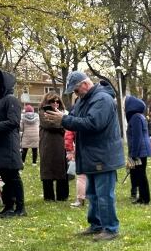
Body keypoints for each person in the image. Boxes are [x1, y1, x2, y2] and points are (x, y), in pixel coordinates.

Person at [44, 71, 124, 241]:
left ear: (85, 85)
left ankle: (111, 228)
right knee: (93, 193)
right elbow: (74, 117)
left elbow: (94, 123)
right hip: (91, 154)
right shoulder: (84, 100)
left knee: (104, 194)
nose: (75, 94)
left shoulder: (102, 99)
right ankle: (96, 225)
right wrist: (60, 117)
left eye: (76, 90)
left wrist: (64, 120)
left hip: (103, 154)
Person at [0, 67, 26, 218]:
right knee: (5, 178)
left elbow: (13, 122)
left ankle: (20, 208)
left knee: (13, 177)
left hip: (8, 145)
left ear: (3, 83)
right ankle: (8, 207)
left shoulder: (10, 99)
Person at [38, 93, 69, 201]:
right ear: (47, 102)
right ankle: (49, 196)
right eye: (52, 101)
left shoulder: (62, 113)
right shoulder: (42, 111)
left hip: (61, 144)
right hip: (47, 144)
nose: (55, 104)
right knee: (47, 169)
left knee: (61, 169)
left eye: (57, 101)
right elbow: (48, 124)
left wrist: (63, 123)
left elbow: (68, 125)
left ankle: (62, 195)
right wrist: (62, 125)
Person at [125, 95, 151, 204]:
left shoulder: (136, 117)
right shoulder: (140, 116)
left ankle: (145, 198)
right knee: (140, 174)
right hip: (141, 150)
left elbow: (137, 137)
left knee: (141, 174)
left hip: (140, 151)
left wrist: (134, 154)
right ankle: (142, 197)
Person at [65, 129, 86, 208]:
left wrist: (69, 151)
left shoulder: (75, 117)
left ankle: (80, 200)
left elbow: (69, 135)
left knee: (81, 176)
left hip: (80, 147)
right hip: (97, 148)